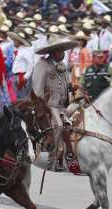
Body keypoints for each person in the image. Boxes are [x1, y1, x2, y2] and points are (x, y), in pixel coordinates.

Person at [32, 34, 78, 171]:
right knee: (57, 126)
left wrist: (69, 86)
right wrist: (42, 106)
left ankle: (71, 155)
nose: (61, 53)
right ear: (51, 52)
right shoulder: (42, 65)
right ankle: (50, 159)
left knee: (79, 119)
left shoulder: (62, 65)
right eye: (58, 50)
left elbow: (61, 84)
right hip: (50, 105)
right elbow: (37, 91)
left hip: (64, 104)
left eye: (62, 50)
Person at [8, 31, 34, 100]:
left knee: (24, 96)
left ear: (20, 42)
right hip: (16, 75)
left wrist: (26, 76)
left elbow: (30, 63)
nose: (14, 42)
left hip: (22, 75)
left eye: (15, 40)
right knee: (18, 95)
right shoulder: (17, 51)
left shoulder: (25, 51)